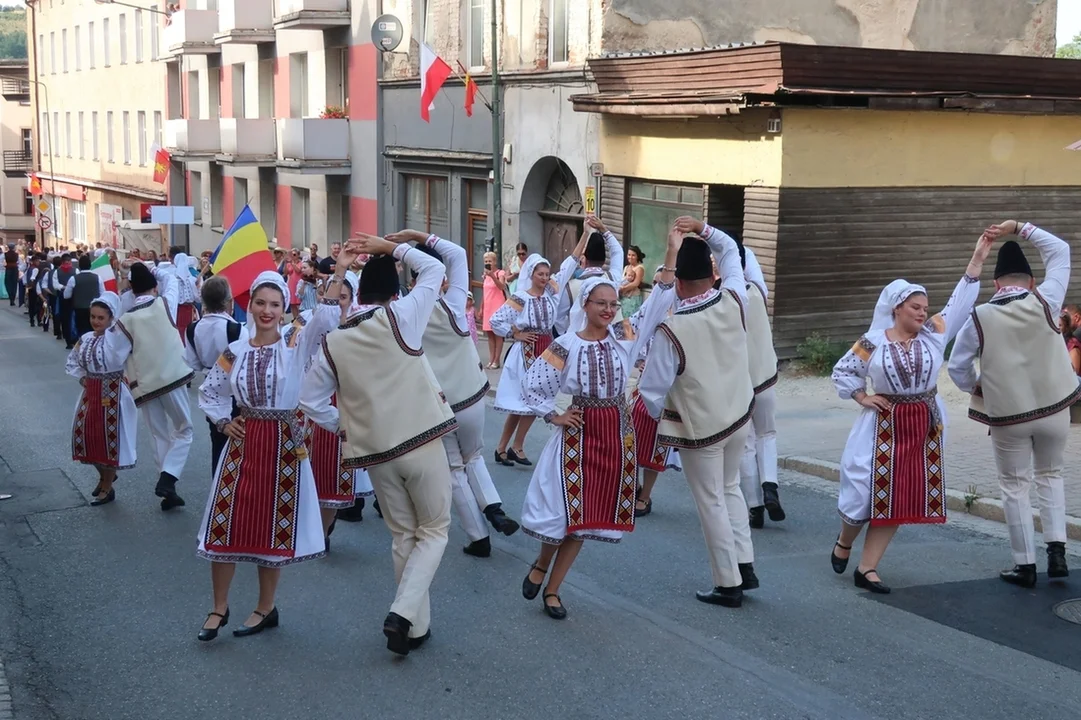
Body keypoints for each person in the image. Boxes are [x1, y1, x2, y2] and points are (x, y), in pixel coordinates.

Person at [300, 232, 456, 657]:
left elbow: (310, 402)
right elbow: (438, 269)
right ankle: (403, 613)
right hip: (421, 440)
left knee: (404, 533)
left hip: (376, 454)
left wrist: (346, 428)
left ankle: (416, 627)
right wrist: (393, 248)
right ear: (396, 290)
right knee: (435, 530)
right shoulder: (402, 316)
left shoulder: (335, 340)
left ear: (360, 293)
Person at [519, 236, 678, 620]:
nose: (609, 310)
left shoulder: (624, 339)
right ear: (584, 305)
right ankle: (541, 563)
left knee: (585, 517)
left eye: (614, 304)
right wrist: (552, 414)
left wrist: (671, 251)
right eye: (601, 304)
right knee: (562, 513)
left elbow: (658, 300)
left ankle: (553, 590)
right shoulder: (566, 345)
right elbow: (532, 383)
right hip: (577, 433)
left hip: (615, 434)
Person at [194, 263, 348, 643]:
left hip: (283, 444)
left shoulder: (296, 343)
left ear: (284, 308)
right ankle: (219, 606)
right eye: (260, 302)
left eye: (275, 304)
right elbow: (210, 390)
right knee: (224, 522)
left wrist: (340, 270)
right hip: (243, 442)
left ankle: (265, 607)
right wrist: (221, 421)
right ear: (250, 305)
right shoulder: (235, 350)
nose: (266, 310)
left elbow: (326, 319)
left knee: (270, 529)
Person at [830, 235, 990, 593]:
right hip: (881, 425)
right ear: (897, 308)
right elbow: (842, 372)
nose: (923, 312)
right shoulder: (872, 341)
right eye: (916, 307)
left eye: (925, 307)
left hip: (923, 424)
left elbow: (959, 304)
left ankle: (867, 568)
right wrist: (861, 396)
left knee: (898, 494)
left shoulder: (933, 335)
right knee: (861, 486)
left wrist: (978, 258)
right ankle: (844, 540)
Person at [948, 221, 1077, 588]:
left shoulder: (979, 317)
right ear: (1032, 281)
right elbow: (1061, 252)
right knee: (1051, 476)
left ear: (996, 284)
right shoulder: (1047, 299)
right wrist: (1020, 228)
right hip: (1055, 408)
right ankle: (1057, 554)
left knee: (1014, 485)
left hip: (1009, 416)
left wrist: (982, 387)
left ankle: (1025, 565)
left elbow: (958, 367)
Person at [638, 217, 757, 608]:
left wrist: (660, 418)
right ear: (711, 274)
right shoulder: (734, 297)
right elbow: (731, 253)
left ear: (680, 284)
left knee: (711, 500)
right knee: (730, 488)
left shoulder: (671, 328)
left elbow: (652, 392)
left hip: (701, 428)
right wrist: (703, 228)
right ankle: (745, 563)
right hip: (739, 414)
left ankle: (728, 583)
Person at [400, 233, 521, 559]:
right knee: (475, 456)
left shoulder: (402, 312)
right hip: (471, 395)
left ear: (413, 278)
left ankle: (478, 536)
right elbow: (458, 254)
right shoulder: (454, 302)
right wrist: (414, 237)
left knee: (454, 470)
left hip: (438, 404)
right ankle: (493, 508)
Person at [292, 269, 375, 550]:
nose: (339, 301)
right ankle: (306, 529)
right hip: (309, 407)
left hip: (343, 408)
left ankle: (323, 532)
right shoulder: (311, 324)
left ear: (352, 299)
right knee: (304, 474)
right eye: (334, 296)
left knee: (335, 480)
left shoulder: (362, 330)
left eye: (344, 297)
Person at [115, 263, 193, 511]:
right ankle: (168, 478)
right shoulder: (165, 303)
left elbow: (117, 354)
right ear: (154, 285)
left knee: (159, 433)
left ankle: (168, 487)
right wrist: (153, 269)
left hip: (145, 385)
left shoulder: (125, 319)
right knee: (184, 429)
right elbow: (170, 278)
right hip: (172, 378)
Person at [489, 253, 575, 467]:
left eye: (547, 274)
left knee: (530, 400)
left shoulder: (551, 296)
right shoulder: (521, 298)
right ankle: (511, 447)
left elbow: (568, 266)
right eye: (540, 274)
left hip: (546, 349)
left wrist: (585, 234)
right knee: (527, 402)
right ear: (532, 275)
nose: (545, 278)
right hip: (526, 351)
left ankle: (506, 447)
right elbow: (496, 320)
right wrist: (515, 334)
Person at [65, 291, 137, 506]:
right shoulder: (85, 339)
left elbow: (120, 359)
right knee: (85, 435)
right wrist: (82, 378)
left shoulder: (117, 340)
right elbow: (73, 361)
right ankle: (105, 476)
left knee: (109, 440)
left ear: (111, 318)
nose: (95, 321)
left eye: (100, 318)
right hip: (91, 391)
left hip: (114, 392)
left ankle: (107, 486)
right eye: (93, 317)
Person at [737, 245, 786, 529]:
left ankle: (754, 506)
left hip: (738, 382)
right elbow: (750, 259)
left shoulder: (722, 297)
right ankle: (770, 485)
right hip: (764, 375)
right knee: (767, 433)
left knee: (746, 443)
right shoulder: (757, 290)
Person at [629, 265, 681, 517]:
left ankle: (646, 495)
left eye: (667, 284)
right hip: (643, 386)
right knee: (633, 436)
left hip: (671, 390)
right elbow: (628, 333)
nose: (661, 290)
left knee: (656, 441)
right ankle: (634, 486)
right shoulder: (647, 312)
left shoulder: (682, 314)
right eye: (657, 284)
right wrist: (637, 359)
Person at [183, 276, 248, 476]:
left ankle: (218, 488)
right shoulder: (237, 330)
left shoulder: (193, 328)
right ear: (229, 302)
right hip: (234, 391)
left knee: (217, 442)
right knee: (239, 445)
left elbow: (192, 362)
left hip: (211, 389)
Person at [554, 215, 624, 335]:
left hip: (581, 340)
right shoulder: (612, 280)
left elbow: (559, 318)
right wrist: (603, 229)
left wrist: (571, 332)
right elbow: (618, 252)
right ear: (603, 261)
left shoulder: (570, 287)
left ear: (584, 260)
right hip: (612, 340)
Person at [65, 254, 105, 342]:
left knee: (81, 330)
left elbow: (66, 295)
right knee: (94, 330)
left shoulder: (73, 279)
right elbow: (103, 293)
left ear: (79, 266)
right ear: (90, 265)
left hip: (79, 309)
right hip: (94, 309)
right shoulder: (98, 277)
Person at [480, 251, 507, 369]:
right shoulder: (485, 276)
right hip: (488, 306)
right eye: (486, 261)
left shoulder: (500, 273)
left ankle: (497, 360)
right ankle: (491, 359)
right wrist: (481, 307)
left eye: (490, 261)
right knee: (489, 334)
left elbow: (502, 286)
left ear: (495, 262)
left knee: (497, 334)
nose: (488, 263)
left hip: (497, 306)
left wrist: (492, 276)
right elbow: (485, 292)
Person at [620, 245, 647, 316]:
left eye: (633, 255)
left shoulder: (639, 268)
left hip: (633, 298)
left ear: (637, 256)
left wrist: (623, 289)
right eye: (629, 255)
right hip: (623, 298)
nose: (630, 257)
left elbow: (635, 283)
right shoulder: (626, 267)